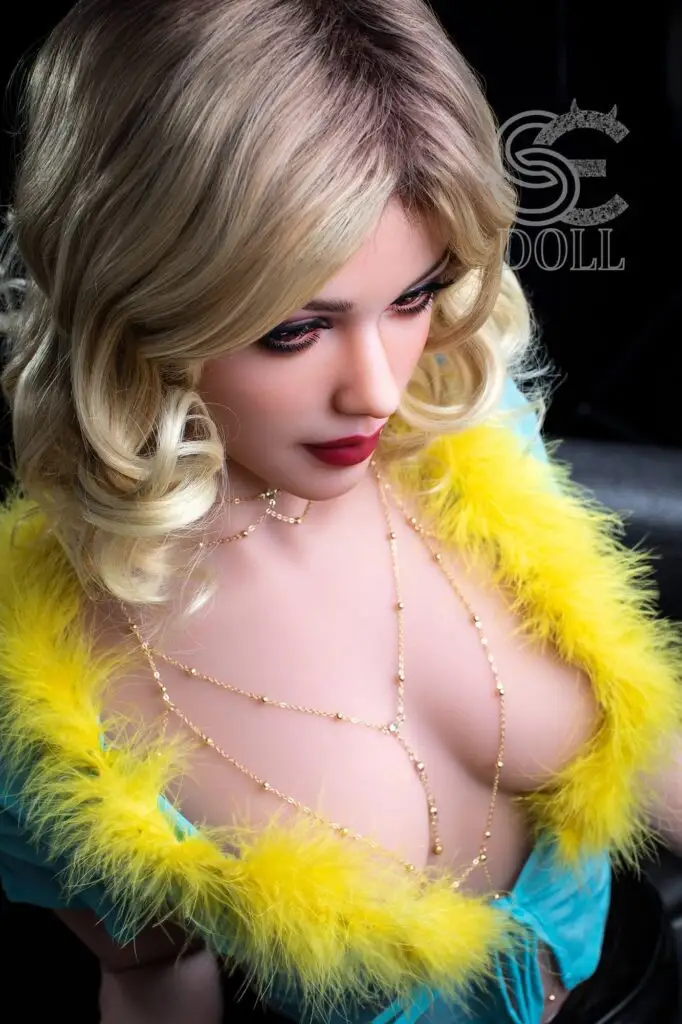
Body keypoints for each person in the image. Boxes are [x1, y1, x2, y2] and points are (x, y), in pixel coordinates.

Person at [1, 2, 682, 1023]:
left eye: (414, 295)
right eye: (293, 330)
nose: (378, 387)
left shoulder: (467, 429)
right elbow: (152, 975)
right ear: (133, 294)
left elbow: (656, 748)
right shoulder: (47, 694)